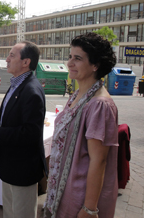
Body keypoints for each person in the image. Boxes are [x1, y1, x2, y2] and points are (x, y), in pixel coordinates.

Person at [45, 32, 118, 218]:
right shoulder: (76, 96)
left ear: (95, 65)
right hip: (64, 186)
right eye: (70, 57)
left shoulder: (99, 105)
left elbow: (99, 160)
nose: (70, 63)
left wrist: (89, 209)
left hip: (79, 195)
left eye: (77, 58)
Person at [0, 41, 47, 218]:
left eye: (12, 55)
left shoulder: (31, 90)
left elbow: (31, 133)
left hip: (23, 169)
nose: (7, 59)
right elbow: (13, 111)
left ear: (26, 62)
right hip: (10, 165)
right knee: (10, 213)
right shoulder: (18, 83)